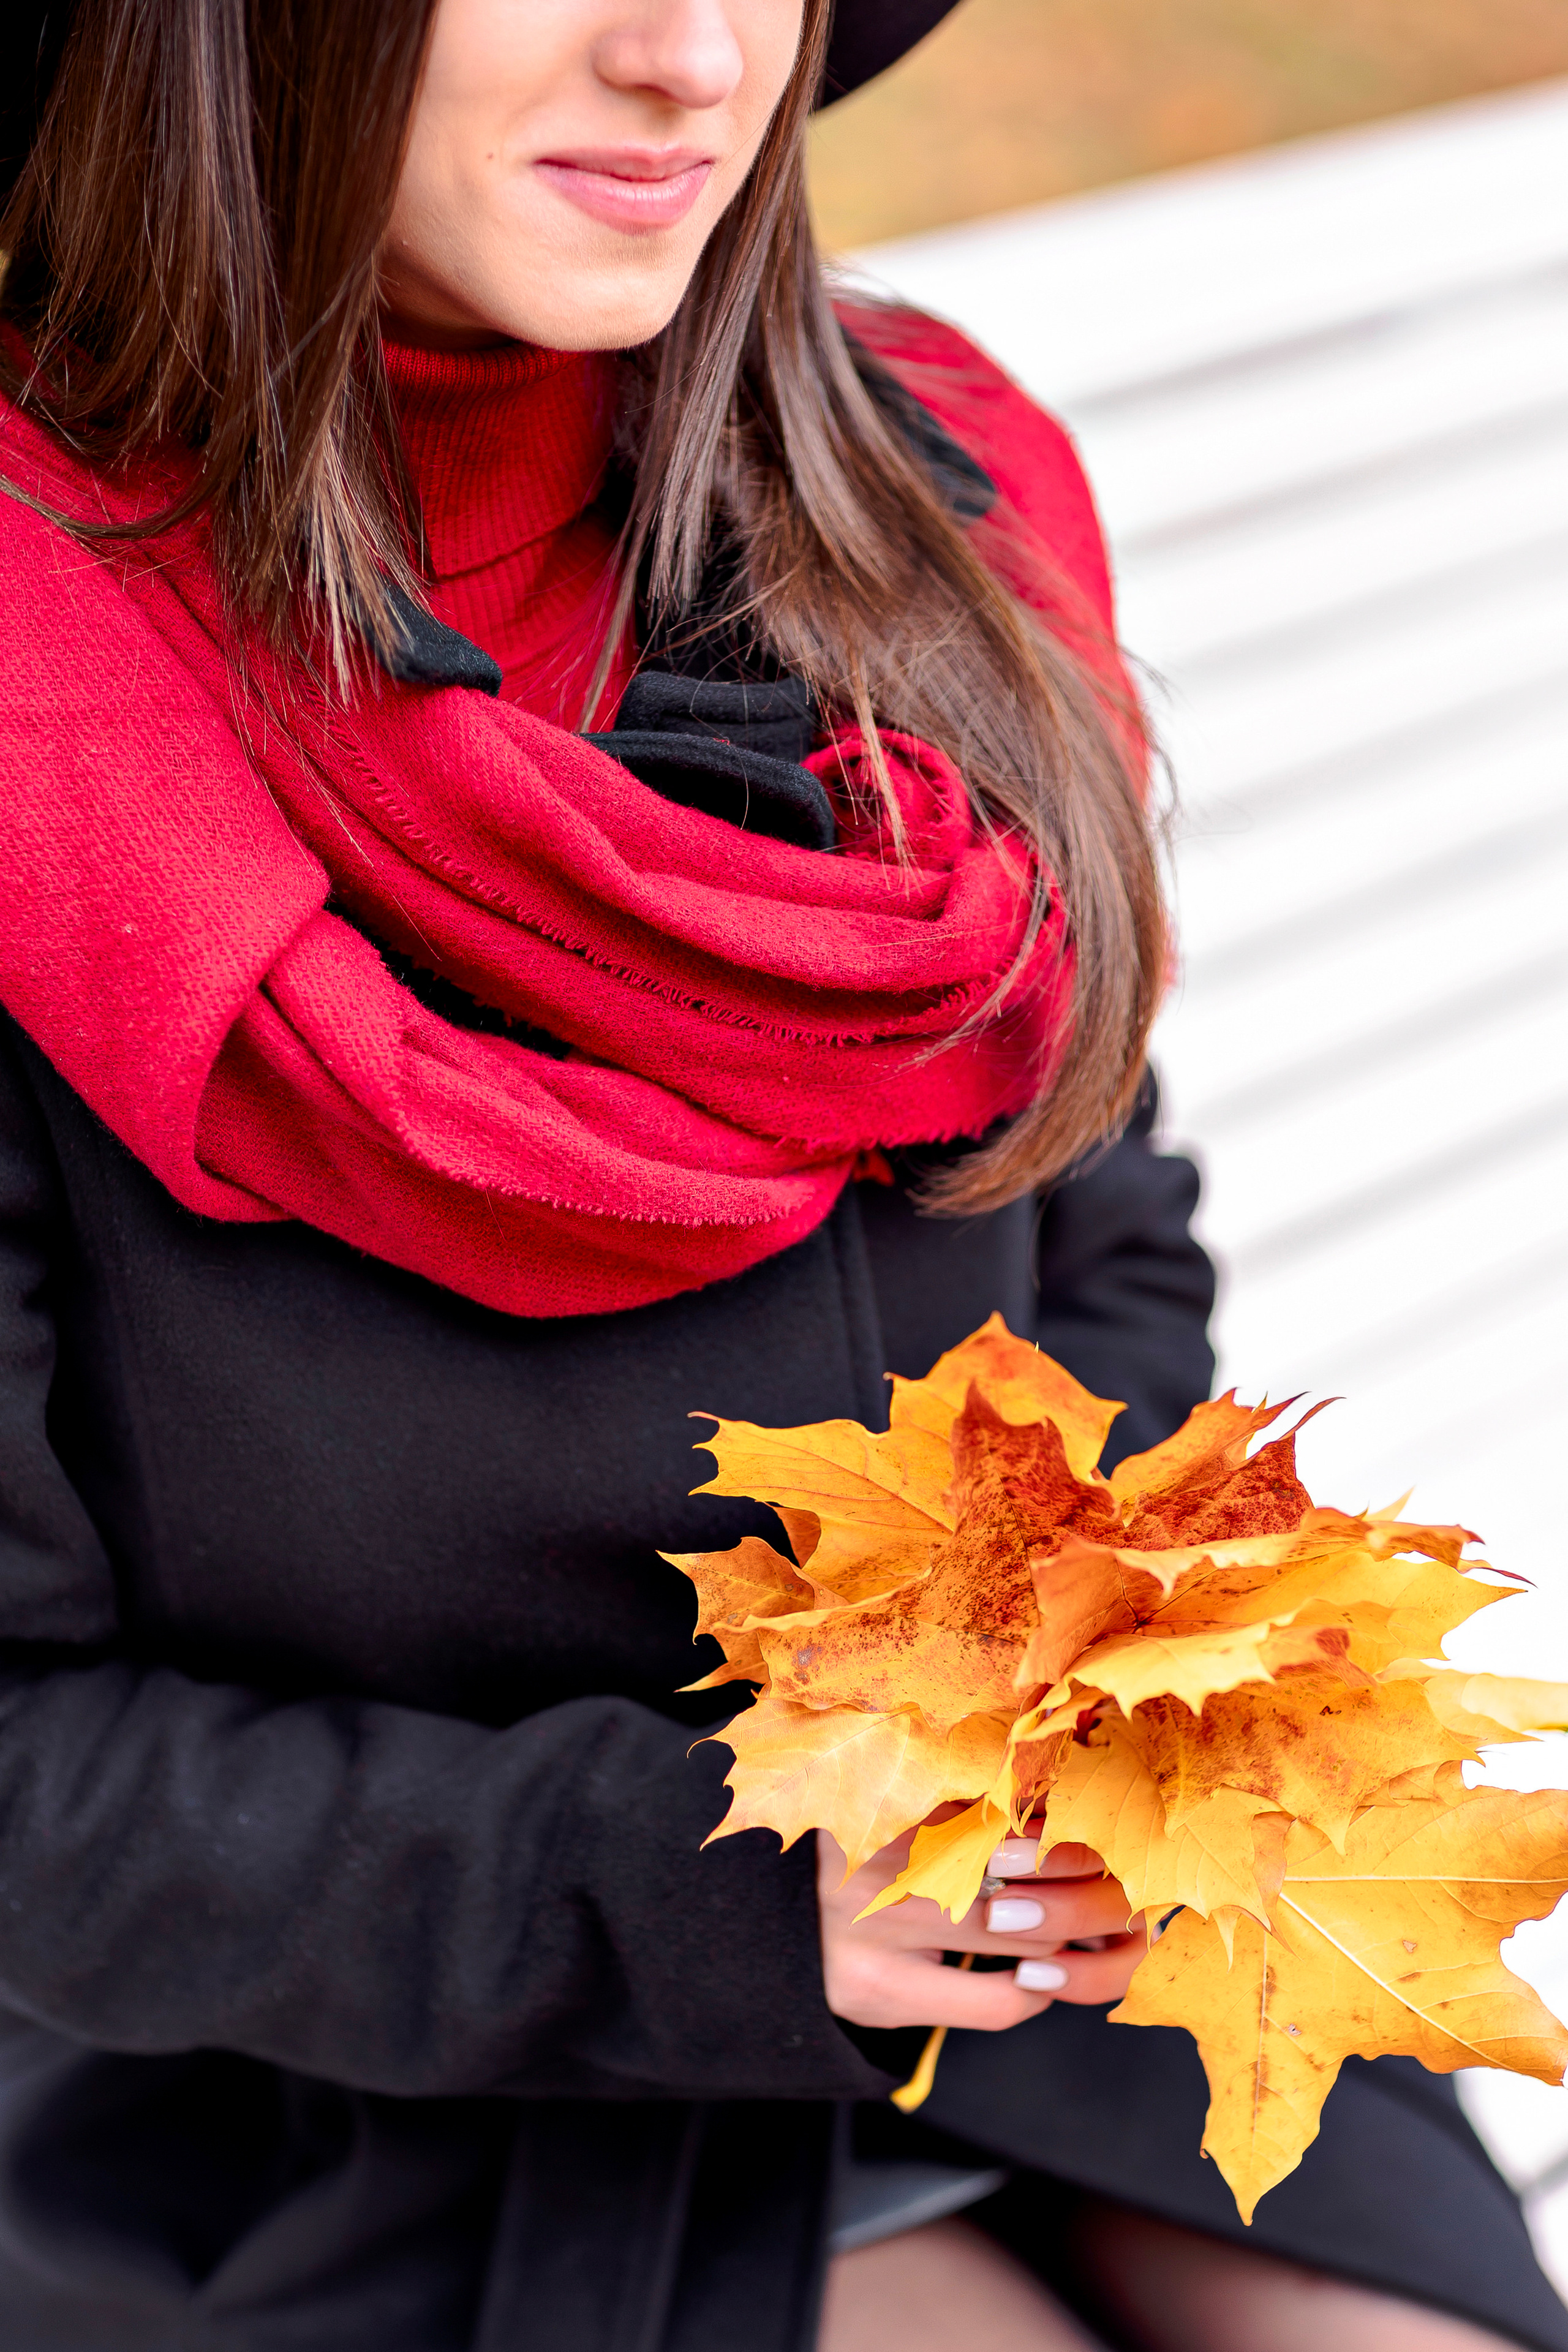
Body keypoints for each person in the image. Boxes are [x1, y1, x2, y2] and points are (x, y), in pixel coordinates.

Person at [0, 3, 1561, 2348]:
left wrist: (1090, 1683)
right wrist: (702, 1897)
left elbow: (1093, 1218)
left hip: (1047, 1939)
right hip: (357, 2091)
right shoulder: (48, 700)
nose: (695, 58)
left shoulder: (914, 509)